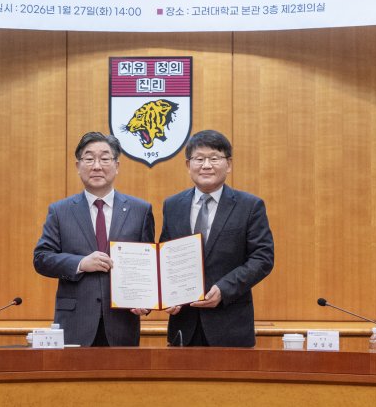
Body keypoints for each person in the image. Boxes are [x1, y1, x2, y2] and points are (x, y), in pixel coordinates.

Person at [33, 132, 155, 346]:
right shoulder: (60, 211)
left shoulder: (140, 210)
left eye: (105, 158)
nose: (97, 166)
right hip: (75, 323)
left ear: (117, 165)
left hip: (122, 323)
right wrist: (80, 263)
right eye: (89, 159)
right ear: (78, 166)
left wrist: (146, 301)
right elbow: (42, 258)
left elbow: (149, 265)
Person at [160, 130, 274, 347]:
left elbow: (262, 258)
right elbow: (165, 257)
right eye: (199, 159)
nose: (206, 165)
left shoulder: (250, 206)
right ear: (188, 165)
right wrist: (167, 296)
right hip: (183, 326)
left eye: (214, 158)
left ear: (228, 164)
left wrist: (224, 289)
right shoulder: (172, 205)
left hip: (230, 325)